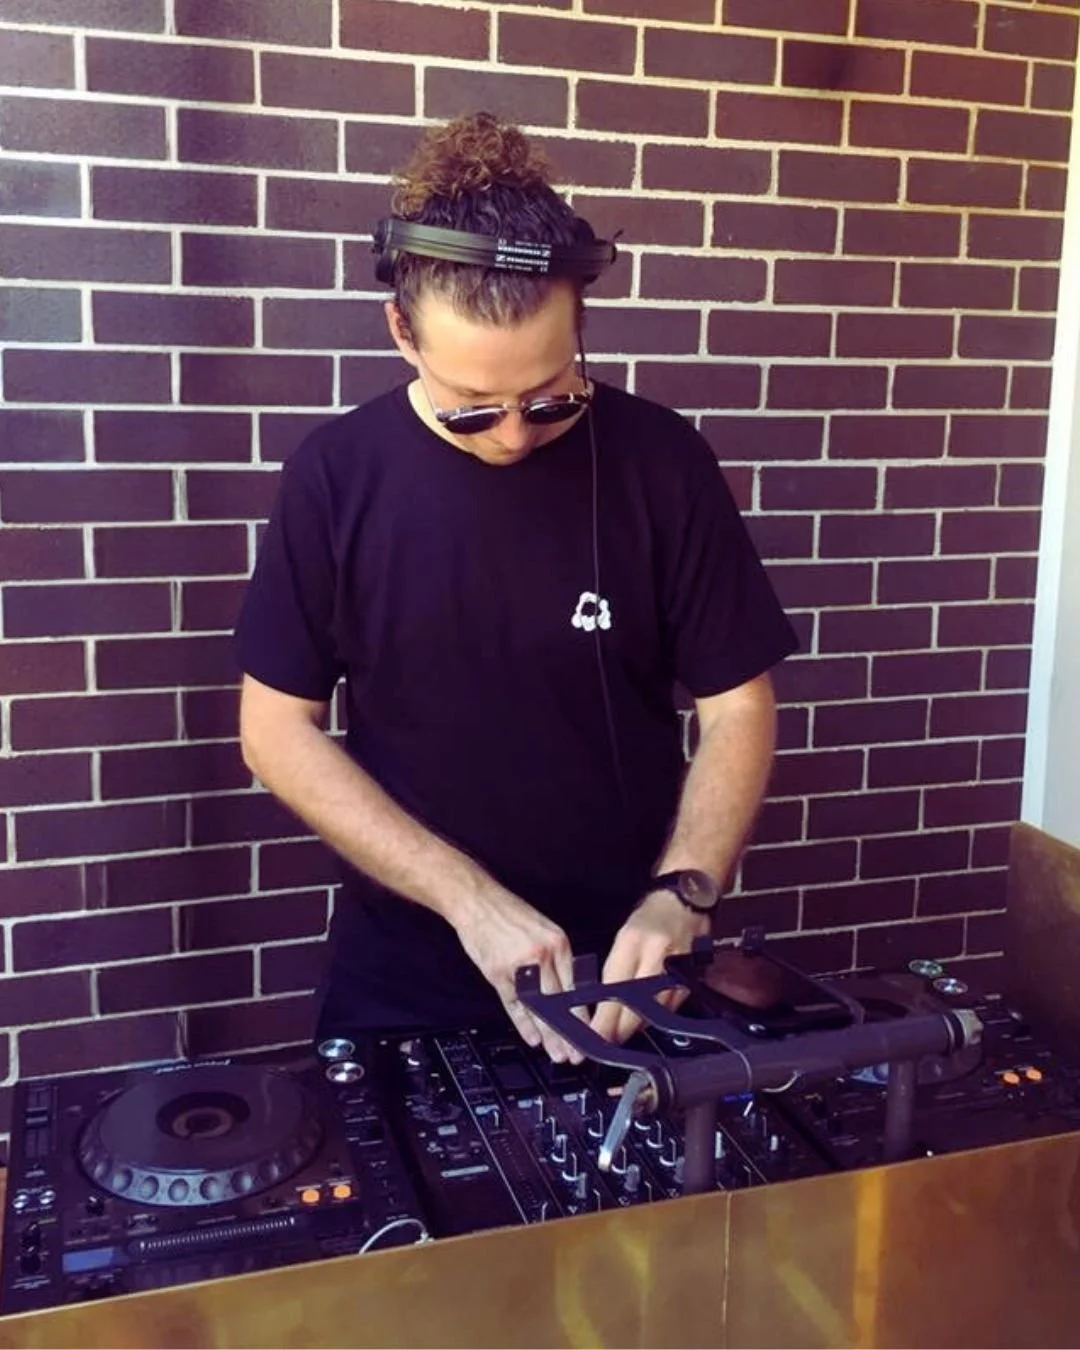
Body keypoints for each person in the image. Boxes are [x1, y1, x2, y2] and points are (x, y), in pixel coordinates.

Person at [236, 111, 798, 1063]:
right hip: (408, 970)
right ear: (401, 333)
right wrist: (469, 900)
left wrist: (685, 891)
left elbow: (739, 706)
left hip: (630, 966)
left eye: (547, 398)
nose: (510, 434)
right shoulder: (334, 476)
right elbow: (275, 730)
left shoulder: (664, 462)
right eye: (471, 410)